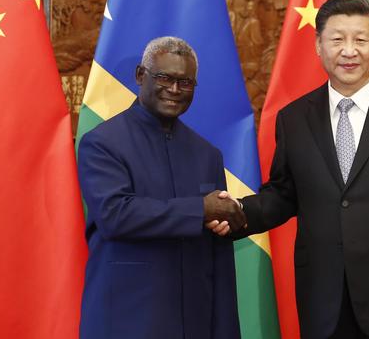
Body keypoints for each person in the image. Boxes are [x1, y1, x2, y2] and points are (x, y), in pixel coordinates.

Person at [220, 0, 369, 339]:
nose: (349, 51)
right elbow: (283, 194)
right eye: (337, 39)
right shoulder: (294, 118)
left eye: (361, 39)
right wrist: (237, 212)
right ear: (319, 46)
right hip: (323, 294)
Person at [77, 36, 245, 339]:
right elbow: (115, 215)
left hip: (195, 321)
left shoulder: (208, 154)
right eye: (164, 77)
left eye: (186, 83)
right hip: (127, 321)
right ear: (141, 75)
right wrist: (201, 208)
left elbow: (218, 255)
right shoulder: (102, 143)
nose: (174, 90)